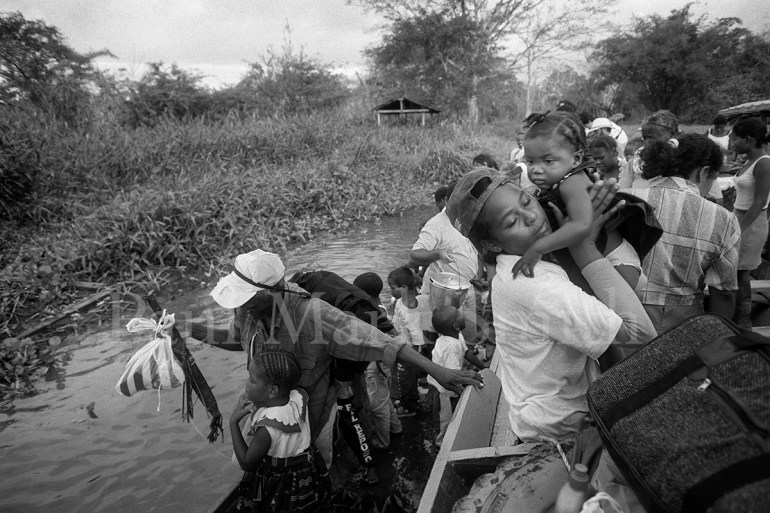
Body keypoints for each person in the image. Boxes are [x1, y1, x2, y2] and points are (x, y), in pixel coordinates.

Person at [201, 249, 483, 468]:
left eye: (247, 298)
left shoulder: (313, 315)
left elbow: (380, 341)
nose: (241, 306)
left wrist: (439, 371)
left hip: (311, 420)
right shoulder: (245, 310)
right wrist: (187, 329)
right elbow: (233, 339)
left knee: (314, 471)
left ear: (270, 292)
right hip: (262, 416)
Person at [446, 168, 656, 442]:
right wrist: (585, 247)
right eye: (512, 222)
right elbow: (640, 332)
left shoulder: (520, 265)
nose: (532, 217)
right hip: (562, 427)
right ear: (491, 243)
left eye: (526, 201)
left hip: (544, 411)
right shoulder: (535, 285)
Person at [625, 133, 740, 333]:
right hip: (679, 326)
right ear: (704, 172)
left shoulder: (625, 199)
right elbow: (723, 293)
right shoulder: (722, 218)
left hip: (617, 313)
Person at [230, 350, 324, 512]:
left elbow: (247, 463)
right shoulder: (296, 397)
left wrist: (233, 422)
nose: (246, 383)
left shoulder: (267, 428)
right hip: (304, 472)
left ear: (272, 391)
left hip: (281, 483)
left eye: (252, 380)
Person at [513, 111, 597, 278]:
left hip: (616, 262)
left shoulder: (572, 183)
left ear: (576, 159)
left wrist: (538, 248)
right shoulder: (561, 181)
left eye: (548, 161)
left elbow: (581, 225)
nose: (535, 170)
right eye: (530, 161)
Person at [410, 184, 482, 341]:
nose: (464, 206)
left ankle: (465, 357)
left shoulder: (468, 219)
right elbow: (415, 255)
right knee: (441, 333)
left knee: (469, 331)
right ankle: (436, 359)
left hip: (466, 286)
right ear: (448, 200)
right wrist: (437, 253)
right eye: (459, 202)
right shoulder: (436, 224)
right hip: (443, 290)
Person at [353, 272, 403, 451]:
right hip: (383, 365)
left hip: (373, 365)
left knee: (376, 405)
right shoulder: (379, 306)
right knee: (384, 396)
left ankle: (383, 442)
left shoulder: (370, 313)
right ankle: (396, 428)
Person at [729, 118, 770, 327]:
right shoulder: (749, 160)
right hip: (741, 217)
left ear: (749, 139)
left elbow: (761, 201)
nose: (732, 142)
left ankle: (743, 321)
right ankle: (737, 317)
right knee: (735, 271)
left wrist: (740, 229)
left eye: (735, 138)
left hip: (751, 222)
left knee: (741, 273)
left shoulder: (764, 162)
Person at [388, 265, 430, 417]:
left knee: (406, 378)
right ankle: (409, 398)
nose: (391, 291)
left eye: (392, 288)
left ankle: (410, 407)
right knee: (403, 377)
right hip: (400, 343)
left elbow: (416, 332)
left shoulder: (410, 308)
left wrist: (415, 352)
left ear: (404, 287)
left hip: (408, 348)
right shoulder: (400, 301)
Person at [426, 305, 466, 448]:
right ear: (455, 326)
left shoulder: (457, 336)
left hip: (448, 388)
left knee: (450, 416)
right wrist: (462, 389)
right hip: (443, 391)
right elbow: (453, 376)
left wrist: (482, 368)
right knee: (444, 419)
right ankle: (440, 446)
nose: (462, 314)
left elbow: (466, 354)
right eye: (459, 314)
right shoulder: (450, 347)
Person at [620, 109, 680, 189]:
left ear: (671, 135)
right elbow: (623, 189)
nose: (646, 142)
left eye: (651, 138)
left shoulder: (680, 159)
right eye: (644, 138)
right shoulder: (636, 161)